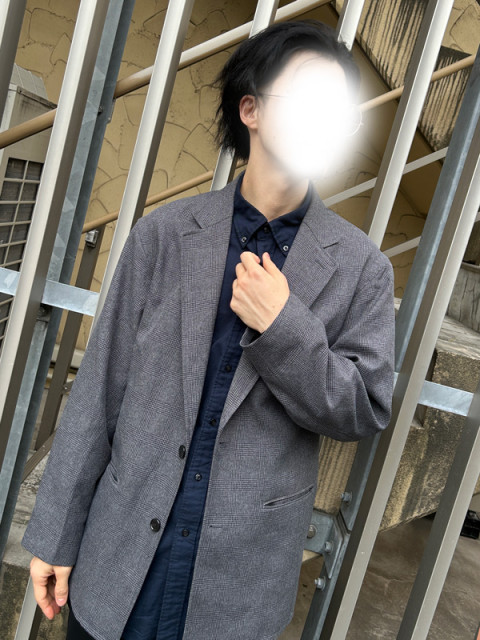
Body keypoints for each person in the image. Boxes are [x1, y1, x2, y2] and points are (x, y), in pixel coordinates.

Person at [22, 20, 395, 640]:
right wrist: (56, 533)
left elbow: (364, 408)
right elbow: (99, 392)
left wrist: (284, 327)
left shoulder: (362, 268)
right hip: (121, 560)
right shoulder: (163, 236)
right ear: (251, 110)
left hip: (239, 586)